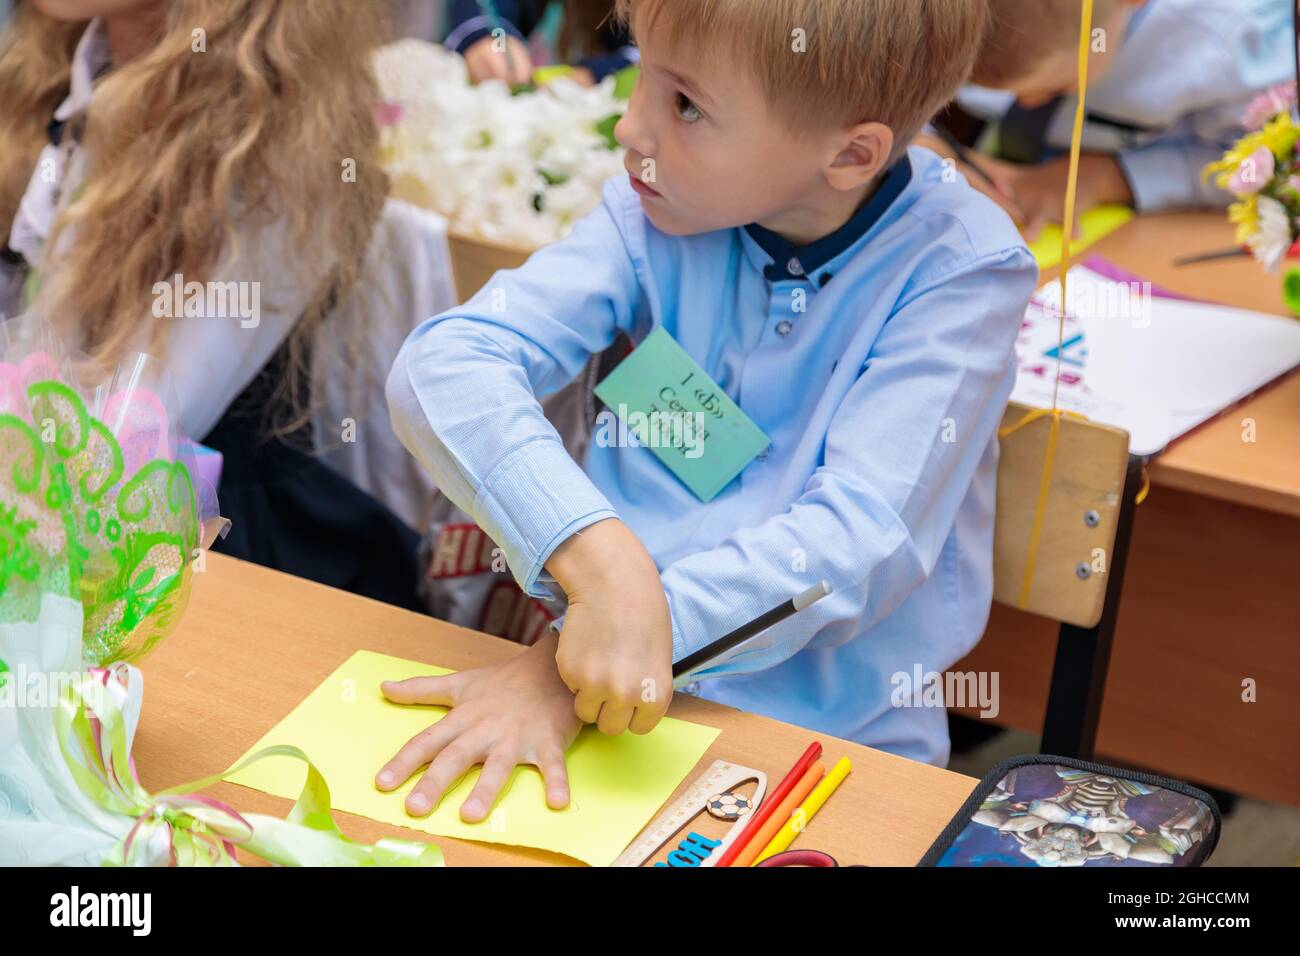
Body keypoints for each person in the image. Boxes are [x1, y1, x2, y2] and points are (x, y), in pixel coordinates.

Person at [380, 0, 1038, 821]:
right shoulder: (651, 211)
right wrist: (599, 564)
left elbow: (854, 544)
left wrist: (587, 644)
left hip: (830, 751)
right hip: (597, 705)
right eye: (640, 72)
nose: (630, 126)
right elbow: (444, 365)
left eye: (685, 104)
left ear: (850, 154)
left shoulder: (962, 271)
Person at [0, 0, 454, 609]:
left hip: (204, 557)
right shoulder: (67, 71)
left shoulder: (273, 139)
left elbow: (133, 431)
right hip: (54, 509)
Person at [926, 0, 1296, 237]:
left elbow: (1268, 165)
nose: (1028, 104)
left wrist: (1107, 176)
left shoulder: (1229, 39)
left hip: (1149, 231)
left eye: (1061, 85)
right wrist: (921, 140)